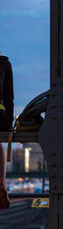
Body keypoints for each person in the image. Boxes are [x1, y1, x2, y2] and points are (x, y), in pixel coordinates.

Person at [0, 52, 14, 209]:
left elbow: (9, 98)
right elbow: (9, 98)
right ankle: (1, 184)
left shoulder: (4, 64)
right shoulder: (3, 64)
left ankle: (1, 184)